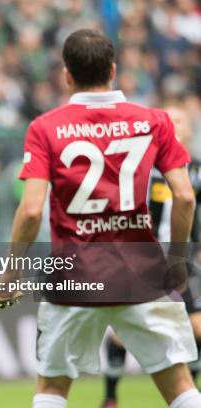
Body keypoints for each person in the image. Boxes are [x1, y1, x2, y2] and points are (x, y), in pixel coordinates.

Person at [5, 29, 201, 408]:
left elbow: (30, 210)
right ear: (113, 70)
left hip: (75, 276)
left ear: (66, 74)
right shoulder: (154, 121)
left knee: (52, 389)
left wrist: (11, 273)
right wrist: (176, 261)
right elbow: (185, 196)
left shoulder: (45, 127)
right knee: (180, 387)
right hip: (143, 272)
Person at [101, 103, 201, 408]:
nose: (175, 125)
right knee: (123, 334)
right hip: (144, 261)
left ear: (188, 129)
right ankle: (110, 396)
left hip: (183, 259)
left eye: (180, 120)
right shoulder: (143, 167)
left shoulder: (196, 169)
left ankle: (188, 394)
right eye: (169, 120)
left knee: (197, 328)